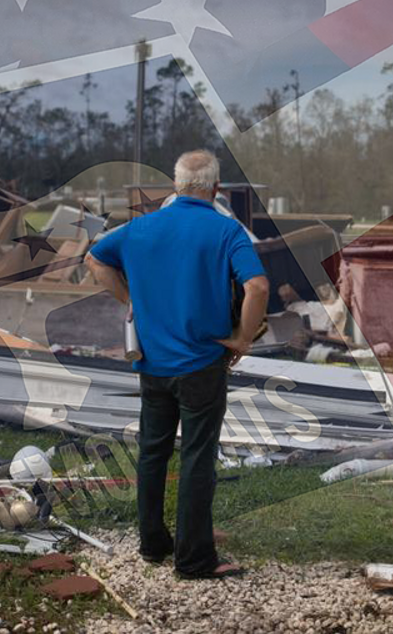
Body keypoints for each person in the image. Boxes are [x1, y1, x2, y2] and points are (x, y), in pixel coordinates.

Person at [86, 150, 269, 579]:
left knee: (152, 453)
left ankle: (152, 545)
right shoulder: (226, 231)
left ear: (176, 185)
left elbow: (95, 260)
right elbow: (257, 285)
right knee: (197, 458)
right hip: (202, 364)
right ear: (216, 188)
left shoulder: (140, 227)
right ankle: (194, 560)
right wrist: (243, 338)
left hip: (152, 364)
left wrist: (130, 300)